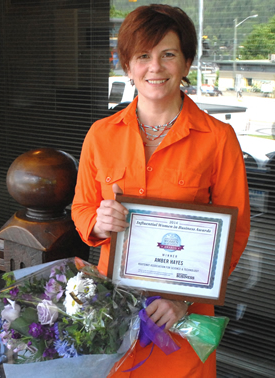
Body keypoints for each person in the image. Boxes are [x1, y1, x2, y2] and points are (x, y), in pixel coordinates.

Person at [71, 4, 250, 377]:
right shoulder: (100, 135)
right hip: (112, 311)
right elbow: (82, 208)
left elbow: (236, 234)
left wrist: (183, 299)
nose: (155, 67)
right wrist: (100, 222)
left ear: (186, 64)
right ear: (127, 65)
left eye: (168, 54)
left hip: (182, 322)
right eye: (143, 56)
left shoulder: (218, 139)